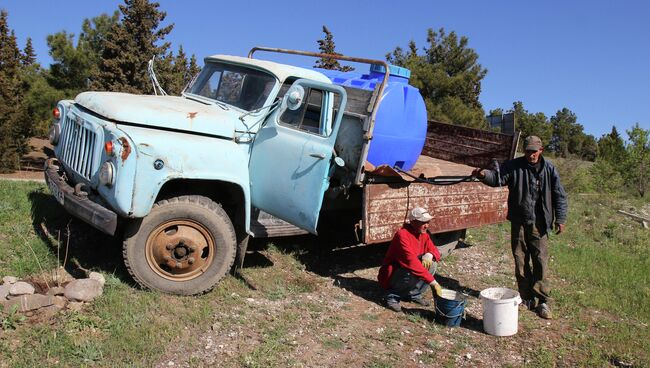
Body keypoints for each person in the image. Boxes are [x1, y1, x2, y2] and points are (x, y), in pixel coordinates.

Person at [471, 135, 568, 319]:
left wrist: (560, 219)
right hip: (519, 222)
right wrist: (483, 175)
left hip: (540, 224)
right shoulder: (514, 166)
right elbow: (498, 178)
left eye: (534, 151)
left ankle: (543, 301)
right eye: (528, 151)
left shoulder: (549, 169)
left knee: (541, 262)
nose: (531, 154)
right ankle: (526, 297)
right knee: (520, 260)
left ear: (541, 150)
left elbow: (560, 195)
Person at [377, 207, 442, 312]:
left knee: (432, 264)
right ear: (413, 222)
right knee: (413, 270)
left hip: (403, 271)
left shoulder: (424, 234)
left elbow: (435, 251)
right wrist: (433, 282)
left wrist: (430, 254)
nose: (427, 225)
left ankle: (413, 294)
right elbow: (410, 262)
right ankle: (392, 296)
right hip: (391, 275)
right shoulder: (402, 235)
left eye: (428, 222)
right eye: (423, 222)